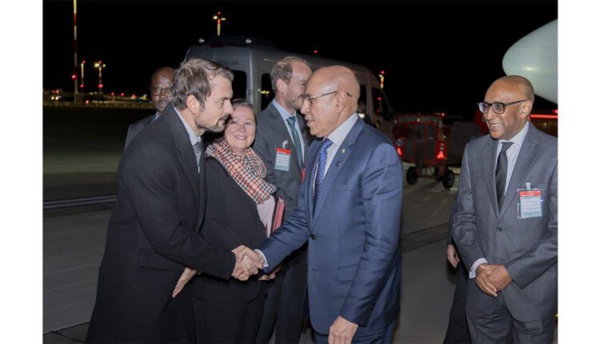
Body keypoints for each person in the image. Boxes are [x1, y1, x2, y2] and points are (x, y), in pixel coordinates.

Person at [86, 58, 262, 344]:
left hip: (172, 281)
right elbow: (169, 236)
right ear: (193, 104)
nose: (230, 111)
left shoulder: (191, 140)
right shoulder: (152, 151)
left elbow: (193, 219)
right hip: (140, 292)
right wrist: (230, 262)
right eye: (223, 101)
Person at [256, 65, 403, 343]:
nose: (303, 108)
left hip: (359, 314)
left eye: (311, 99)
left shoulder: (376, 152)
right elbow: (304, 219)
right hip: (322, 305)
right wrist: (261, 257)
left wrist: (351, 316)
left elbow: (381, 245)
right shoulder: (318, 148)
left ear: (339, 100)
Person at [452, 75, 557, 343]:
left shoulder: (555, 154)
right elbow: (463, 217)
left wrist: (510, 272)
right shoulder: (474, 151)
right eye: (485, 106)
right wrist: (478, 264)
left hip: (532, 294)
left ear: (524, 109)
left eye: (498, 106)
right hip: (483, 293)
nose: (488, 114)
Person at [191, 100, 274, 343]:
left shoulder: (258, 169)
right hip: (222, 285)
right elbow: (211, 223)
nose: (241, 128)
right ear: (222, 126)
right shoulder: (210, 166)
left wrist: (269, 258)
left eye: (248, 123)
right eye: (233, 121)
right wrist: (247, 257)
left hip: (254, 283)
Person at [252, 56, 314, 343]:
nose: (308, 90)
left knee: (292, 311)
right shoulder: (261, 125)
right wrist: (301, 217)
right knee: (267, 314)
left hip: (303, 234)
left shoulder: (305, 122)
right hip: (279, 234)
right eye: (303, 84)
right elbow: (266, 183)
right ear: (280, 84)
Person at [124, 66, 175, 148]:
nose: (162, 95)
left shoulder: (192, 129)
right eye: (157, 89)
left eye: (169, 89)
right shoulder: (136, 130)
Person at [443, 198, 471, 344]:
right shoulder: (473, 173)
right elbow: (460, 202)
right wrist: (451, 241)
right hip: (472, 250)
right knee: (461, 312)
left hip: (509, 255)